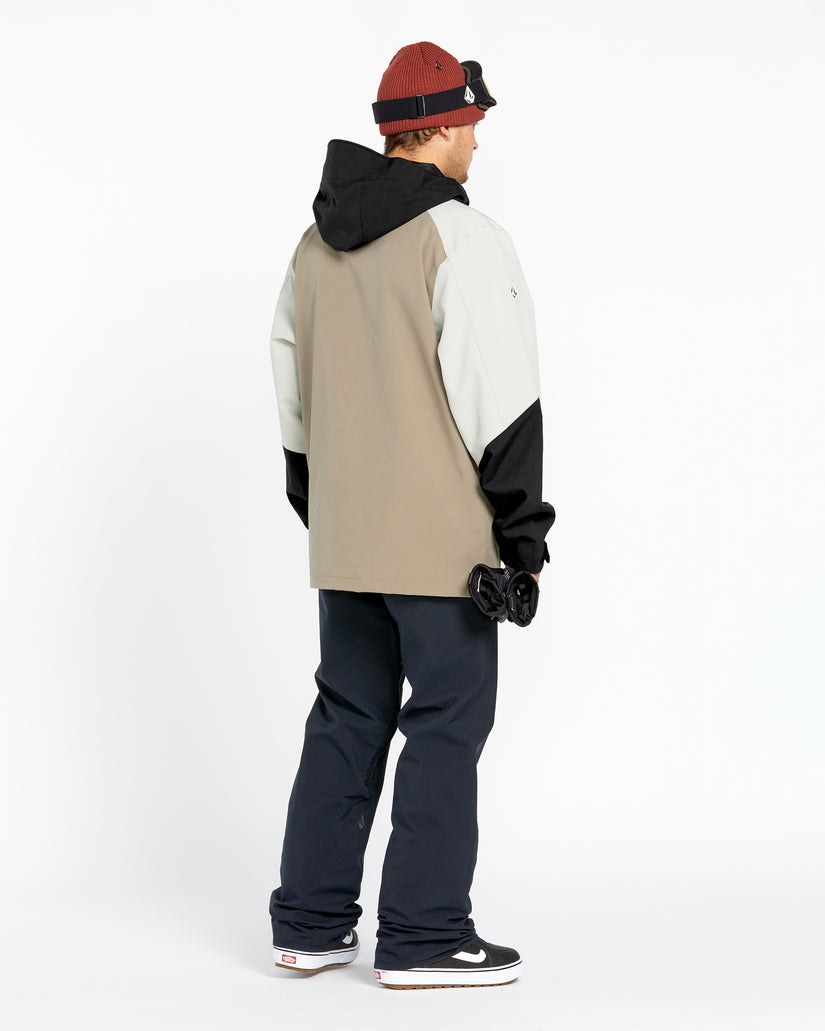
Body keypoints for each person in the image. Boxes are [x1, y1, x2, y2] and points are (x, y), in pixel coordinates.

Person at [267, 40, 555, 990]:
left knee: (346, 714)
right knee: (444, 722)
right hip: (442, 549)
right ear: (438, 127)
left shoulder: (313, 245)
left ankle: (310, 924)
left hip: (346, 537)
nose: (477, 142)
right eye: (471, 124)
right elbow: (501, 399)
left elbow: (292, 390)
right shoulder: (459, 238)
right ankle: (426, 934)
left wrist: (324, 509)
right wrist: (523, 535)